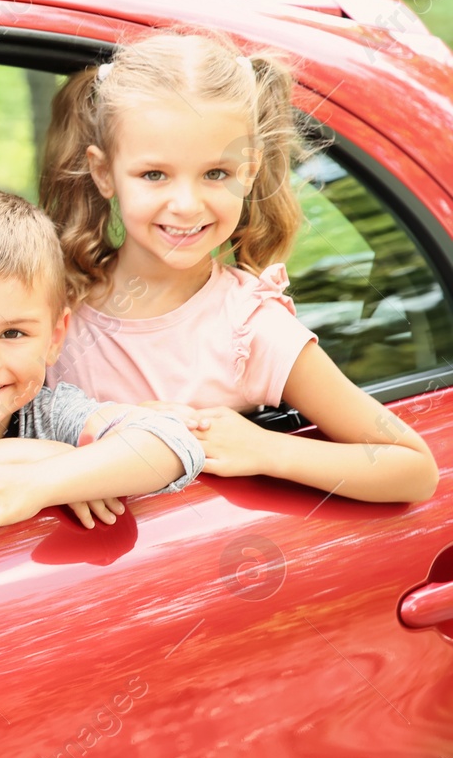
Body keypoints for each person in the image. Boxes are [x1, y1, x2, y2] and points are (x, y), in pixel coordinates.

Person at [40, 30, 438, 503]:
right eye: (154, 175)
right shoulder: (52, 298)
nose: (186, 205)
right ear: (104, 173)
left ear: (249, 171)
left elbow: (412, 468)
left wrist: (266, 449)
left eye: (215, 174)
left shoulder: (250, 331)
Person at [0, 186, 203, 540]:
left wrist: (40, 482)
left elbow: (173, 443)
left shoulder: (52, 414)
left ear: (55, 339)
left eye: (12, 334)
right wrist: (13, 453)